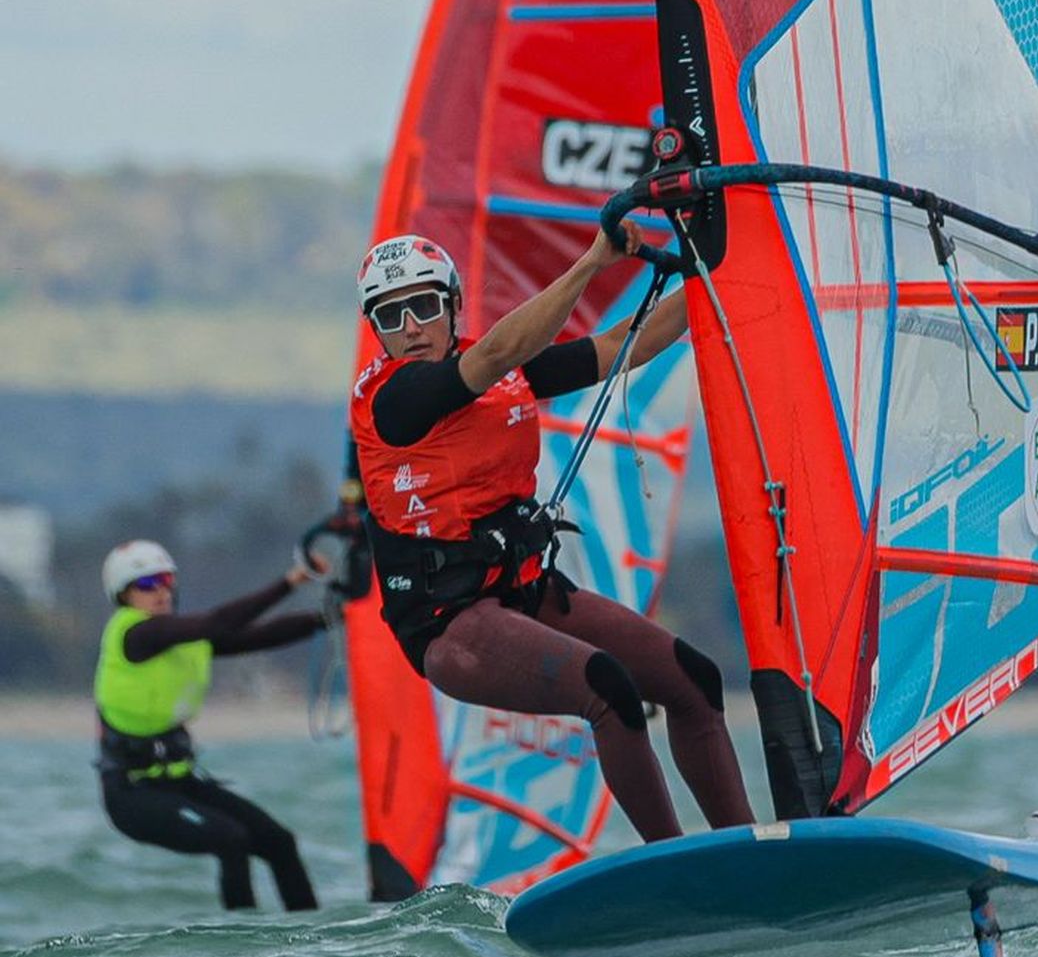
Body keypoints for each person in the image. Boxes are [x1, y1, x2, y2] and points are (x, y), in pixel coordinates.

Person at [349, 228, 755, 846]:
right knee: (608, 688)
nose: (410, 326)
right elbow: (491, 358)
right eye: (390, 315)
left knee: (693, 680)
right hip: (450, 627)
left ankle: (747, 851)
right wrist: (593, 263)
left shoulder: (499, 372)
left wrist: (717, 275)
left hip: (527, 592)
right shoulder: (393, 398)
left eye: (424, 306)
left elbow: (625, 344)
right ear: (376, 328)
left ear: (453, 306)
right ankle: (675, 866)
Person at [96, 540, 323, 909]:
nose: (161, 591)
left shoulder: (180, 638)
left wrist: (326, 619)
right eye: (147, 585)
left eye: (166, 580)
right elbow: (220, 621)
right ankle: (245, 945)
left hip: (181, 782)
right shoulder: (136, 635)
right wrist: (290, 582)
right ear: (123, 596)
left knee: (279, 841)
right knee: (231, 839)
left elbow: (257, 636)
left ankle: (315, 935)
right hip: (132, 794)